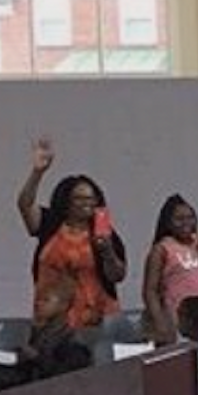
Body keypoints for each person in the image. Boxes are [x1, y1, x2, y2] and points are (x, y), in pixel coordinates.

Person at [15, 138, 126, 329]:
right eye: (80, 198)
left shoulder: (104, 232)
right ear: (66, 201)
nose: (87, 204)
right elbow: (24, 205)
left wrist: (107, 251)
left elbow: (117, 275)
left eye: (92, 199)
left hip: (95, 316)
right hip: (53, 316)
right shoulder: (50, 223)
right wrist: (38, 172)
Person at [141, 193, 198, 344]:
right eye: (179, 219)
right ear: (168, 223)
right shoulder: (162, 248)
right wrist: (160, 321)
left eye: (190, 217)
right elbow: (150, 290)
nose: (186, 223)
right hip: (179, 318)